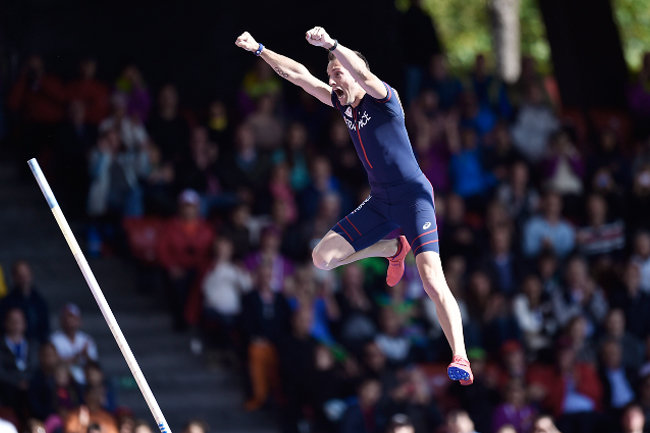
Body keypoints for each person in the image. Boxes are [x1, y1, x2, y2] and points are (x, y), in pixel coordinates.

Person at [235, 26, 472, 385]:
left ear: (354, 71)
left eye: (337, 72)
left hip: (413, 199)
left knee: (431, 279)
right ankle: (392, 248)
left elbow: (362, 72)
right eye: (330, 74)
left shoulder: (384, 98)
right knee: (321, 258)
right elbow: (297, 75)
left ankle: (460, 356)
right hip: (380, 201)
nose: (332, 80)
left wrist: (331, 44)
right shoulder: (341, 104)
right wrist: (259, 50)